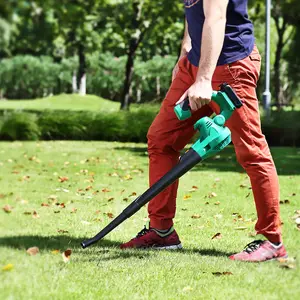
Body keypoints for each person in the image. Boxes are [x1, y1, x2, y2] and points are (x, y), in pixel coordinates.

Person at [120, 0, 287, 262]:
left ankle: (272, 240)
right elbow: (193, 12)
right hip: (196, 63)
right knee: (162, 139)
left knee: (252, 151)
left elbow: (216, 16)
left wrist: (204, 80)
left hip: (232, 64)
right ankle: (162, 231)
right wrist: (185, 51)